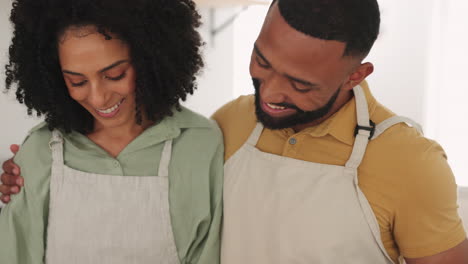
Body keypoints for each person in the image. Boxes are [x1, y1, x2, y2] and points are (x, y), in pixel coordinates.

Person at [2, 0, 468, 263]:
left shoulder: (409, 161)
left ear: (355, 76)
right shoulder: (229, 124)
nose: (271, 92)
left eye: (300, 83)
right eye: (262, 61)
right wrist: (16, 180)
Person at [0, 0, 223, 263]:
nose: (98, 98)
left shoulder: (201, 145)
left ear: (150, 57)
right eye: (77, 81)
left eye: (115, 74)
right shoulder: (40, 151)